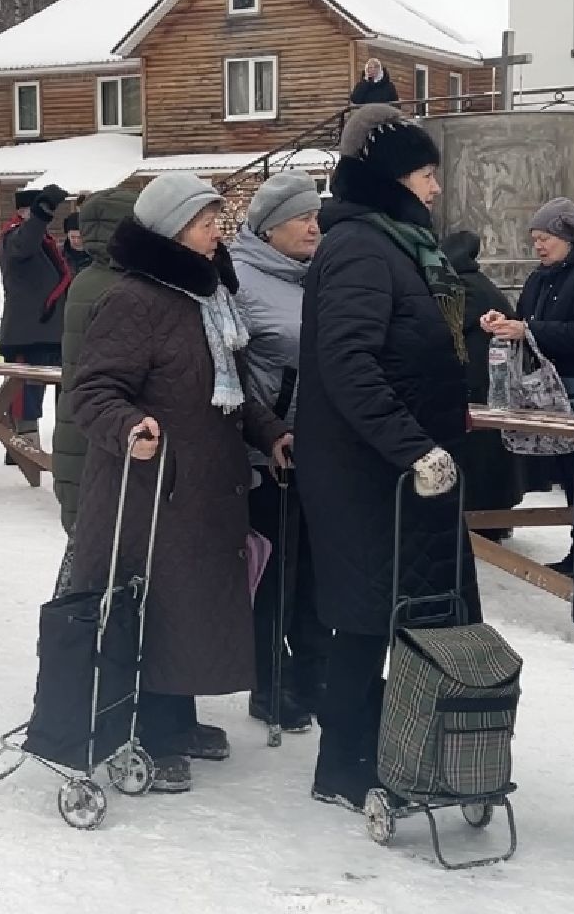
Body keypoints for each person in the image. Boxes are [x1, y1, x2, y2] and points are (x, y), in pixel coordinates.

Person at [64, 173, 293, 792]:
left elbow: (234, 390)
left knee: (192, 607)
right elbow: (92, 391)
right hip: (153, 487)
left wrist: (270, 432)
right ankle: (149, 730)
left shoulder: (207, 295)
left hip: (207, 486)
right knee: (158, 607)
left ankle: (179, 717)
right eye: (203, 221)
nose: (217, 230)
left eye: (218, 218)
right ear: (170, 229)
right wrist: (128, 424)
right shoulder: (135, 299)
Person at [297, 103, 476, 811]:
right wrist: (414, 447)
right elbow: (346, 363)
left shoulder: (398, 244)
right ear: (393, 177)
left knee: (397, 612)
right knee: (364, 617)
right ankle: (343, 763)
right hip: (365, 469)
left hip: (400, 469)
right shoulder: (361, 248)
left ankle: (392, 746)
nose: (435, 189)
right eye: (426, 175)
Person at [232, 170, 329, 733]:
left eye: (316, 215)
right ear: (270, 228)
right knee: (275, 572)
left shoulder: (316, 275)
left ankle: (309, 672)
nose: (314, 225)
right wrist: (263, 433)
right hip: (268, 454)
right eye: (302, 217)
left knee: (313, 571)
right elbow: (231, 373)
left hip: (320, 450)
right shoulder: (240, 281)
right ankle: (268, 682)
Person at [480, 195, 574, 570]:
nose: (539, 245)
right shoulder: (539, 278)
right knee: (567, 474)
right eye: (535, 239)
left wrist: (527, 328)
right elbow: (526, 321)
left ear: (568, 236)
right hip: (543, 388)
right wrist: (504, 322)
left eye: (546, 237)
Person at [48, 187, 139, 595]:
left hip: (81, 433)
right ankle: (72, 641)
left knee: (88, 548)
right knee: (92, 561)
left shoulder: (94, 280)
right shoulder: (115, 289)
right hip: (95, 441)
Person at [442, 230, 525, 538]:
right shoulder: (481, 282)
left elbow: (448, 328)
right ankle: (497, 519)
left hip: (479, 385)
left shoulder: (463, 288)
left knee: (482, 460)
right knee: (494, 457)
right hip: (492, 381)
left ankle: (484, 523)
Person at [0, 184, 73, 452]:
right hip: (28, 333)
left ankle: (59, 447)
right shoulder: (14, 237)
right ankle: (23, 452)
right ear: (22, 211)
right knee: (25, 398)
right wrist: (42, 213)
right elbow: (24, 242)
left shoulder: (38, 239)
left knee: (64, 393)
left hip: (49, 331)